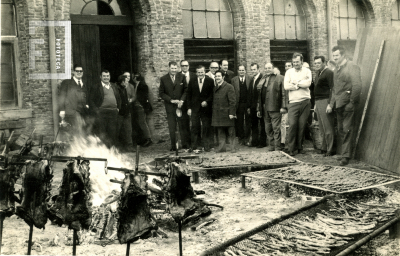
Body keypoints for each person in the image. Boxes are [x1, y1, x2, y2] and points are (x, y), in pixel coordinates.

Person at [329, 46, 362, 166]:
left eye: (337, 55)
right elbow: (335, 89)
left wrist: (352, 102)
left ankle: (346, 156)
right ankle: (343, 153)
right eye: (334, 56)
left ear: (343, 55)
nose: (335, 58)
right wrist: (332, 103)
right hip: (339, 104)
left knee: (347, 130)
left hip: (348, 104)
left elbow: (357, 85)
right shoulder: (336, 69)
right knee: (342, 130)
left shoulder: (352, 66)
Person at [284, 53, 312, 156]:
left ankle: (300, 147)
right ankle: (291, 148)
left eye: (297, 62)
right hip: (293, 103)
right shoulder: (289, 72)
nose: (295, 63)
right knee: (292, 125)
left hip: (305, 102)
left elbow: (308, 83)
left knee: (302, 126)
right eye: (294, 62)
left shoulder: (307, 71)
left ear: (301, 61)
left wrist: (295, 83)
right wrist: (299, 84)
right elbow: (286, 86)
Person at [159, 61, 189, 151]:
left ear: (178, 68)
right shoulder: (163, 79)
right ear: (169, 68)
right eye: (172, 68)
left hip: (180, 106)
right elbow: (161, 93)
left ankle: (184, 145)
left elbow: (186, 90)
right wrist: (171, 100)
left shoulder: (182, 77)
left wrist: (182, 100)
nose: (174, 70)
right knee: (172, 127)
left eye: (175, 68)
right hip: (170, 107)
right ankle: (174, 146)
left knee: (182, 126)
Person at [257, 63, 287, 151]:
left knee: (276, 128)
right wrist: (259, 108)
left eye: (269, 68)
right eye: (265, 68)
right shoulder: (262, 79)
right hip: (264, 108)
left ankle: (278, 147)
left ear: (273, 68)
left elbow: (283, 93)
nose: (267, 70)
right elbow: (259, 96)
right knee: (268, 128)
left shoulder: (279, 78)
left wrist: (283, 106)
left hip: (275, 107)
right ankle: (271, 145)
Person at [90, 69, 121, 148]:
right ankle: (103, 152)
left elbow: (119, 98)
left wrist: (118, 108)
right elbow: (91, 100)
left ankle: (111, 151)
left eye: (107, 76)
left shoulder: (114, 86)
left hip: (113, 113)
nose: (106, 77)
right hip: (102, 113)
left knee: (112, 133)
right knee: (102, 133)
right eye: (104, 76)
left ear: (110, 77)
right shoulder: (96, 87)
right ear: (100, 77)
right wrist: (97, 111)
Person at [58, 64, 91, 137]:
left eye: (81, 71)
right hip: (72, 110)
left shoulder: (84, 83)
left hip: (83, 111)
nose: (79, 72)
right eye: (77, 71)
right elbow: (61, 96)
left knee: (86, 129)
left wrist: (87, 104)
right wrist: (62, 110)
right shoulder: (66, 83)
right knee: (78, 130)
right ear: (73, 72)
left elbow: (86, 96)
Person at [186, 65, 214, 151]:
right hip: (195, 108)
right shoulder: (192, 80)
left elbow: (212, 94)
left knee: (206, 127)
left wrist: (207, 101)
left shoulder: (210, 81)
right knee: (194, 127)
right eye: (198, 72)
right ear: (196, 73)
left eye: (202, 72)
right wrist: (189, 108)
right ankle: (194, 146)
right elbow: (189, 95)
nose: (200, 74)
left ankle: (207, 146)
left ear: (205, 72)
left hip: (206, 109)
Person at [313, 55, 335, 156]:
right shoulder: (318, 73)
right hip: (318, 102)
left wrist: (330, 104)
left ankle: (330, 149)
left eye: (319, 63)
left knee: (328, 126)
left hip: (325, 101)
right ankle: (324, 147)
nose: (317, 65)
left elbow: (333, 89)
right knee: (322, 127)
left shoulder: (329, 72)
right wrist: (315, 105)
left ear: (324, 63)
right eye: (315, 63)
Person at [212, 71, 237, 153]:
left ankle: (232, 148)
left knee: (231, 132)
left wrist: (231, 113)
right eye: (216, 76)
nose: (217, 78)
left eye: (219, 76)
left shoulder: (229, 87)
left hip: (227, 113)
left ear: (223, 77)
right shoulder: (215, 87)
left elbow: (232, 101)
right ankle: (222, 148)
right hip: (218, 114)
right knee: (220, 131)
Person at [132, 73, 155, 145]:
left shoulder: (142, 85)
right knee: (140, 122)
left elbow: (143, 97)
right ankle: (144, 139)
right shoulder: (137, 85)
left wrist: (141, 105)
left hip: (141, 106)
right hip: (138, 106)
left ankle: (148, 139)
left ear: (135, 78)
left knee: (142, 122)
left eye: (134, 77)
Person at [231, 65, 251, 145]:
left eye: (243, 70)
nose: (241, 72)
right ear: (238, 71)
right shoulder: (233, 80)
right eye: (240, 70)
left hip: (247, 104)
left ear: (245, 71)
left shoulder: (250, 79)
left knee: (248, 122)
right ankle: (241, 138)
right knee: (239, 122)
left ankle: (247, 138)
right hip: (238, 104)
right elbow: (232, 93)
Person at [247, 63, 266, 148]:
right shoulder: (252, 79)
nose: (253, 71)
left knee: (262, 124)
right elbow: (250, 94)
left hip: (260, 105)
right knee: (253, 124)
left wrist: (259, 106)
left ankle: (262, 142)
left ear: (258, 69)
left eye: (254, 69)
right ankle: (254, 141)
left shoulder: (262, 79)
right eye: (252, 69)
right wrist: (249, 106)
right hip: (252, 106)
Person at [116, 75, 135, 152]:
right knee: (118, 130)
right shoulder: (117, 89)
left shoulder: (124, 88)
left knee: (128, 130)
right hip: (120, 113)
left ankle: (129, 146)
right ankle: (117, 147)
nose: (127, 82)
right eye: (126, 81)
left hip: (126, 112)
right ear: (122, 82)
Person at [281, 61, 292, 148]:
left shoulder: (295, 77)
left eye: (289, 66)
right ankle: (284, 143)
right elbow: (283, 94)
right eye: (286, 66)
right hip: (286, 105)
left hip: (294, 103)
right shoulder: (284, 79)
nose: (287, 67)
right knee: (284, 123)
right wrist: (284, 106)